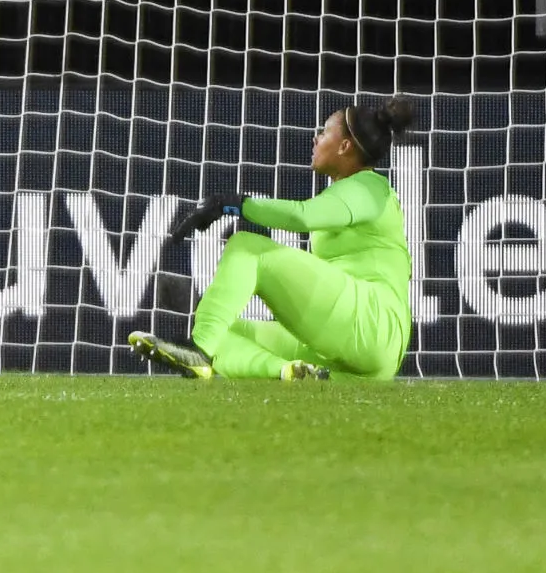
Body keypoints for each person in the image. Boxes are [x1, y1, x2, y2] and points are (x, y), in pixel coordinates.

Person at [131, 99, 419, 382]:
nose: (316, 138)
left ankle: (198, 352)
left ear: (344, 147)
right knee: (225, 333)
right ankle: (290, 372)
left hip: (374, 324)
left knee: (247, 247)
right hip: (361, 352)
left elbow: (303, 217)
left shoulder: (370, 188)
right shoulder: (347, 193)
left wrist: (233, 204)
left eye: (324, 132)